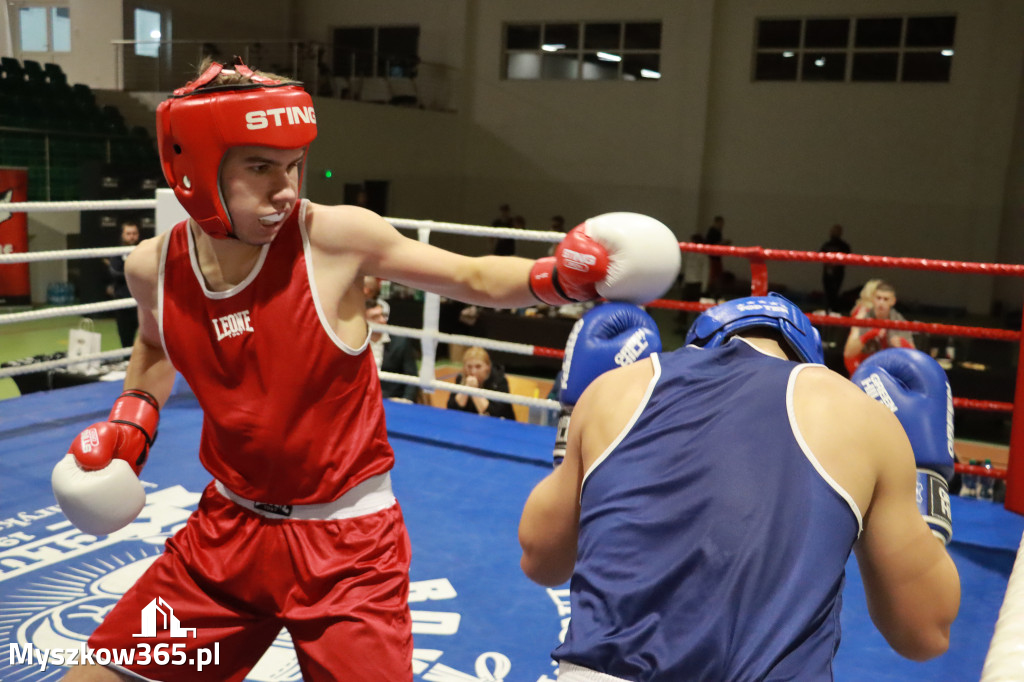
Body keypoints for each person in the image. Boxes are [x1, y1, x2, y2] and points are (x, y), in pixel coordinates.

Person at [49, 58, 681, 681]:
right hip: (224, 535)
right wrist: (133, 425)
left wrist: (560, 275)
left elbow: (471, 277)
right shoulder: (150, 268)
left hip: (346, 548)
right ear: (192, 172)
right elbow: (156, 349)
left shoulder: (333, 239)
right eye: (261, 167)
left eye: (295, 165)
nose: (288, 189)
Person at [519, 293, 959, 681]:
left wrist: (572, 434)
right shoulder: (857, 413)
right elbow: (926, 633)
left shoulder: (616, 389)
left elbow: (540, 560)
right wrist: (925, 488)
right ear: (807, 361)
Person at [844, 280, 915, 374]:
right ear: (873, 298)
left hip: (889, 370)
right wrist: (868, 335)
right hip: (864, 366)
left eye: (885, 299)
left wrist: (904, 345)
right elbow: (848, 353)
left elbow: (914, 357)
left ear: (893, 301)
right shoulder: (863, 317)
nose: (881, 302)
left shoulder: (899, 321)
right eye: (878, 298)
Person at [366, 299, 420, 402]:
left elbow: (412, 376)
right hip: (365, 400)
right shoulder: (357, 342)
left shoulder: (401, 342)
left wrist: (406, 401)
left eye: (383, 315)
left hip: (392, 401)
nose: (382, 320)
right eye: (375, 317)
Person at [445, 346, 516, 420]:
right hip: (469, 425)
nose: (473, 372)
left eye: (478, 366)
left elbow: (493, 414)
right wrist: (466, 388)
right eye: (469, 367)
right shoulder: (461, 378)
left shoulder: (499, 381)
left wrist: (474, 390)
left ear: (488, 366)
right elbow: (451, 409)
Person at [104, 220, 141, 348]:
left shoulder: (143, 250)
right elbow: (115, 272)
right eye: (128, 233)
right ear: (122, 235)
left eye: (134, 233)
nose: (132, 236)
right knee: (126, 339)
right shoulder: (118, 252)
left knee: (147, 342)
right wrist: (137, 270)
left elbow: (149, 272)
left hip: (141, 303)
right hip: (123, 302)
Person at [820, 223, 851, 312]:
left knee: (835, 293)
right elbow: (820, 256)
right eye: (833, 230)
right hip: (827, 272)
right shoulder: (826, 245)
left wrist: (836, 264)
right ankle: (827, 311)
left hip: (838, 273)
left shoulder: (844, 246)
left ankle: (834, 312)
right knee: (827, 292)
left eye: (836, 231)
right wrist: (828, 264)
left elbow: (848, 258)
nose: (834, 232)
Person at [704, 215, 730, 298]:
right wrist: (724, 243)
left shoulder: (717, 232)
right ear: (717, 222)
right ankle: (708, 292)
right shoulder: (712, 232)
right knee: (713, 276)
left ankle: (714, 293)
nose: (722, 225)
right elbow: (711, 245)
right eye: (721, 223)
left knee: (717, 276)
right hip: (712, 258)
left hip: (716, 257)